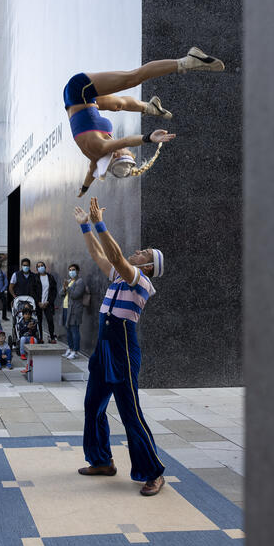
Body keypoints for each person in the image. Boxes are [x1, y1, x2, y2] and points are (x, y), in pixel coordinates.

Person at [73, 198, 166, 496]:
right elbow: (99, 254)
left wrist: (100, 222)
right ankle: (102, 460)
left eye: (144, 253)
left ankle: (153, 472)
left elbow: (113, 255)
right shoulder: (118, 274)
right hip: (104, 346)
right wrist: (85, 226)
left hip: (123, 345)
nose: (138, 252)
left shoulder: (139, 280)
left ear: (148, 266)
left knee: (130, 412)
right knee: (92, 405)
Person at [64, 47, 224, 196]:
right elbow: (91, 172)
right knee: (119, 104)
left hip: (79, 90)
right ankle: (149, 107)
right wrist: (84, 189)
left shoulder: (102, 148)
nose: (124, 148)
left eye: (125, 151)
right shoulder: (97, 158)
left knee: (132, 78)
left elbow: (127, 140)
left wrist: (148, 138)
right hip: (83, 102)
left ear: (117, 154)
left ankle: (187, 61)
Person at [60, 264, 85, 360]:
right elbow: (60, 294)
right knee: (68, 330)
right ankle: (70, 348)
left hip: (75, 310)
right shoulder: (69, 281)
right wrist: (64, 287)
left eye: (73, 270)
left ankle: (75, 351)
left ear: (78, 271)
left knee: (74, 331)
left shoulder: (80, 282)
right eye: (70, 270)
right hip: (66, 309)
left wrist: (68, 288)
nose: (71, 272)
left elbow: (75, 295)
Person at [34, 261, 57, 343]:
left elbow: (54, 291)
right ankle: (40, 338)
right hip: (38, 304)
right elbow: (33, 291)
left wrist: (48, 301)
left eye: (42, 265)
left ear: (45, 266)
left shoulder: (50, 277)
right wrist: (38, 302)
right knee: (38, 321)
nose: (41, 267)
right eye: (38, 266)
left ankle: (52, 337)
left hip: (48, 304)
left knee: (50, 320)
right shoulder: (35, 278)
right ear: (37, 269)